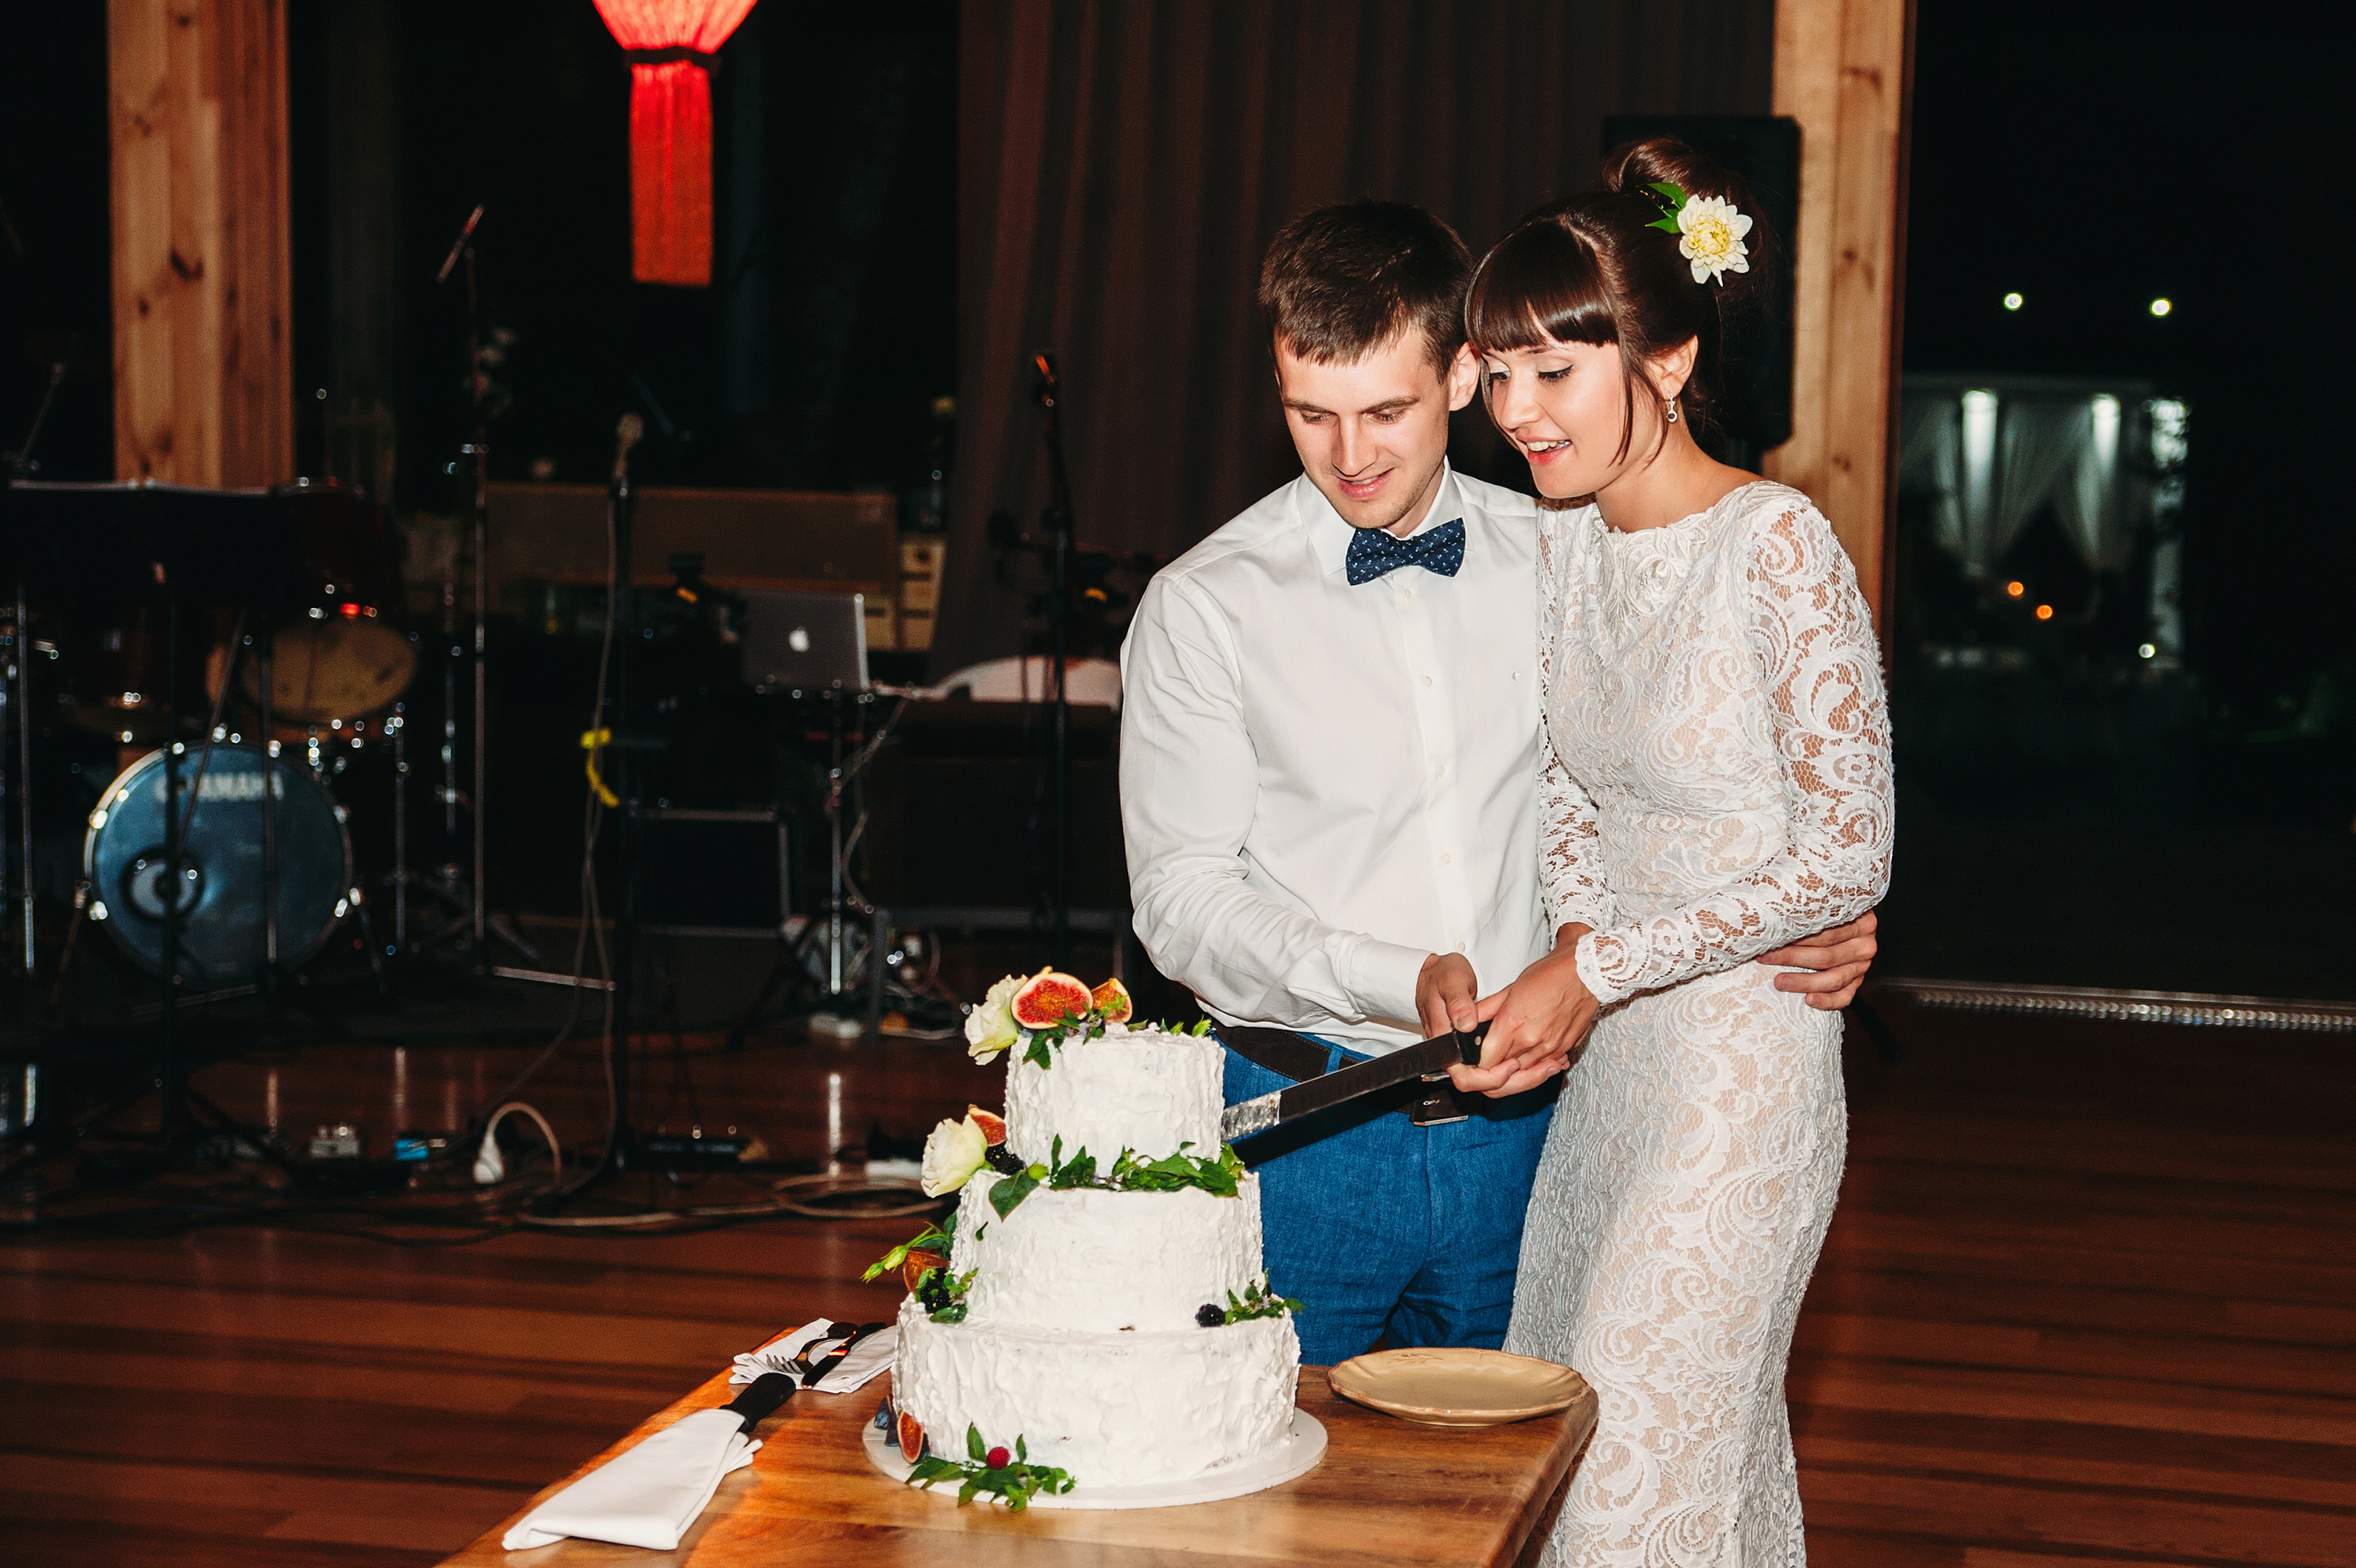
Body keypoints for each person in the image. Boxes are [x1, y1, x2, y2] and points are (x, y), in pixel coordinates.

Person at [1118, 198, 1878, 1367]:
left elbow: (1658, 785)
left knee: (1529, 1464)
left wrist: (1817, 917)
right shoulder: (1202, 605)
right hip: (1308, 1135)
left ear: (1464, 375)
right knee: (1271, 1463)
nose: (1350, 455)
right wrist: (1396, 974)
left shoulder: (1566, 546)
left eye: (1386, 410)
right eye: (1310, 414)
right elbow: (1178, 900)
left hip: (1539, 1129)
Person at [1456, 140, 1896, 1565]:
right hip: (1615, 1070)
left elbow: (1851, 855)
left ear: (1670, 358)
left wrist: (1599, 967)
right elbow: (1573, 788)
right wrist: (1580, 951)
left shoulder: (1778, 545)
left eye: (1553, 370)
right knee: (1592, 1454)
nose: (1517, 412)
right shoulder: (1564, 539)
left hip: (1742, 1072)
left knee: (1629, 1485)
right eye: (1497, 373)